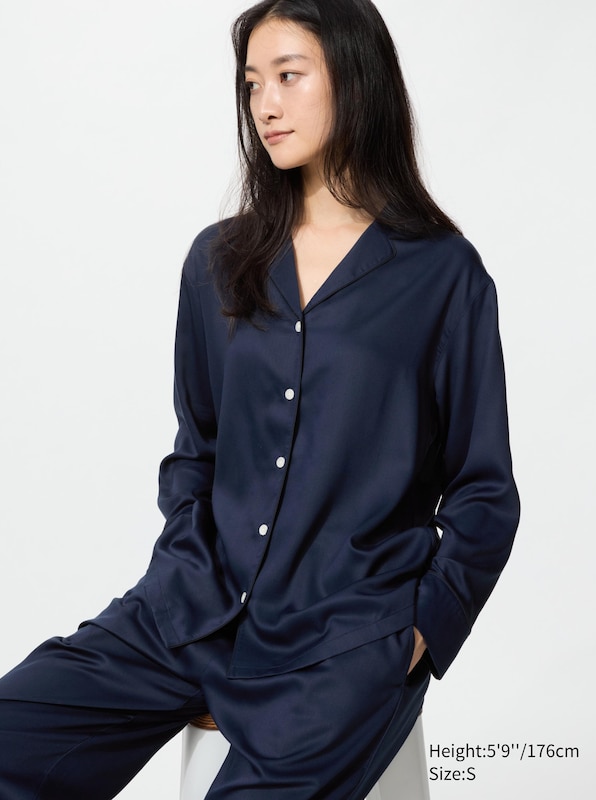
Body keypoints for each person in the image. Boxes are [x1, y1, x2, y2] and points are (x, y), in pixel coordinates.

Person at [0, 0, 519, 797]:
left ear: (354, 77)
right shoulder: (218, 260)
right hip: (189, 615)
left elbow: (484, 491)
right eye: (251, 84)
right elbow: (197, 450)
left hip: (342, 643)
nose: (265, 105)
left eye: (288, 76)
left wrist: (415, 637)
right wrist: (183, 566)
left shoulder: (443, 274)